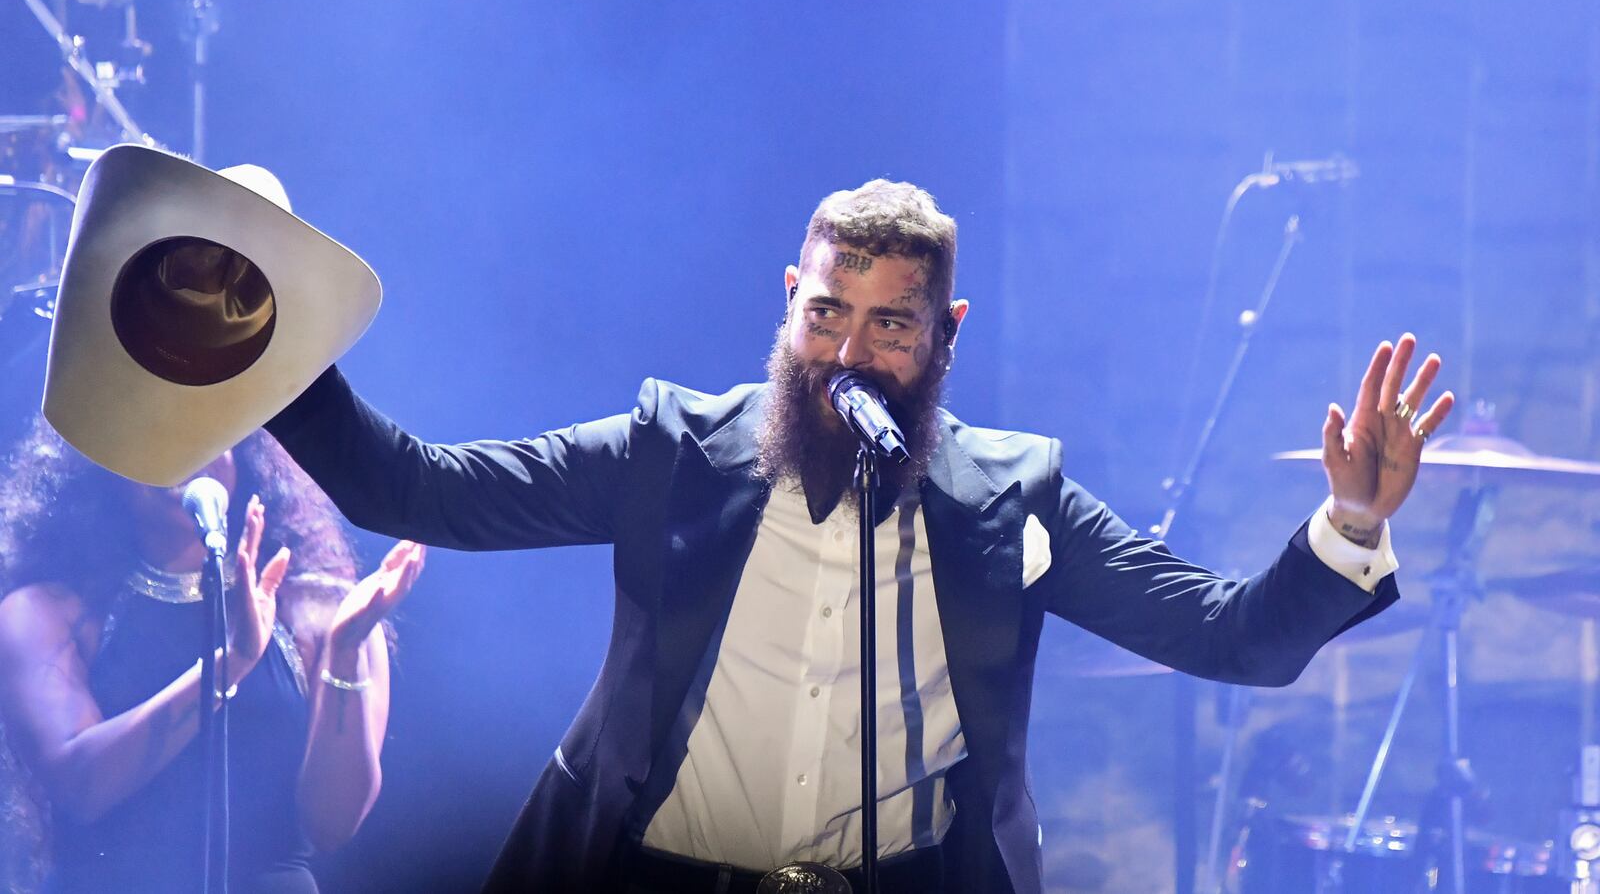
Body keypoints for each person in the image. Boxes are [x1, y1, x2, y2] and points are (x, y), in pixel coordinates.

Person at [261, 180, 1451, 894]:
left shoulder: (1011, 496)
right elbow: (411, 486)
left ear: (945, 334)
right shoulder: (669, 450)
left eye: (889, 324)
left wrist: (1351, 521)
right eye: (824, 312)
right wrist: (257, 343)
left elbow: (1230, 634)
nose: (846, 350)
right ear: (787, 300)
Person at [0, 420, 426, 893]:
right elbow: (82, 786)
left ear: (241, 458)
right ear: (107, 469)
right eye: (156, 438)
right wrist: (235, 660)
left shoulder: (324, 615)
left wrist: (346, 653)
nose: (185, 455)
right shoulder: (46, 613)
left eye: (205, 435)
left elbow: (331, 826)